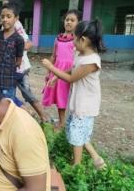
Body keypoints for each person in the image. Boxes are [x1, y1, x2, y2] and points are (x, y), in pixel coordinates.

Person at [42, 19, 107, 169]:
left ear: (83, 40)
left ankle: (76, 167)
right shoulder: (81, 54)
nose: (73, 43)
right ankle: (96, 159)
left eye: (75, 39)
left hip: (85, 104)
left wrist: (51, 67)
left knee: (77, 136)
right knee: (75, 130)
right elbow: (72, 70)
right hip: (79, 101)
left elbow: (72, 78)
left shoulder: (91, 61)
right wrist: (56, 77)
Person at [3, 0, 49, 122]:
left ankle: (38, 115)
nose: (4, 11)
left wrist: (13, 47)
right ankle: (30, 113)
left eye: (6, 6)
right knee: (7, 92)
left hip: (19, 68)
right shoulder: (7, 24)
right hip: (12, 69)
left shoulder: (16, 25)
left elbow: (28, 43)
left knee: (23, 94)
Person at [42, 10, 82, 129]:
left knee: (71, 98)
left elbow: (78, 58)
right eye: (67, 20)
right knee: (60, 98)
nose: (69, 22)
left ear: (78, 22)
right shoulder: (58, 39)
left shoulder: (78, 40)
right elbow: (54, 56)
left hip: (70, 71)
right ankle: (62, 122)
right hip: (57, 70)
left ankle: (73, 122)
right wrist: (49, 72)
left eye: (72, 20)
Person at [0, 3, 25, 102]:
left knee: (7, 110)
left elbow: (18, 62)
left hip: (8, 83)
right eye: (3, 16)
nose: (5, 19)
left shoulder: (19, 39)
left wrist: (7, 64)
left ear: (16, 18)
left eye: (9, 16)